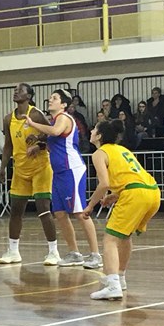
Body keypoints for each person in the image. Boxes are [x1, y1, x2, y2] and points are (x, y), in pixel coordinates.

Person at [82, 119, 161, 300]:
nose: (91, 131)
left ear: (99, 135)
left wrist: (90, 205)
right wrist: (115, 195)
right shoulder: (123, 150)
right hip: (152, 192)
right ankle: (120, 278)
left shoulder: (100, 153)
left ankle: (112, 285)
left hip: (135, 195)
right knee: (124, 236)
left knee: (110, 239)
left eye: (94, 129)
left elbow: (104, 184)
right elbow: (131, 177)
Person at [24, 90, 102, 269]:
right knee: (59, 213)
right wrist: (39, 146)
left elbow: (56, 131)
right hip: (58, 172)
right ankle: (74, 253)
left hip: (70, 170)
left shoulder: (64, 118)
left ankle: (96, 254)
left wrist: (32, 123)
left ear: (64, 104)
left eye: (55, 98)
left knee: (80, 213)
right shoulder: (54, 121)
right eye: (50, 98)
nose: (50, 100)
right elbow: (55, 141)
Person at [0, 83, 60, 266]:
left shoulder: (36, 114)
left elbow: (52, 134)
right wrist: (3, 166)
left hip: (40, 167)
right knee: (16, 211)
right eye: (15, 90)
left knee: (43, 209)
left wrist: (39, 144)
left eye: (21, 90)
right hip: (20, 169)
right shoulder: (8, 118)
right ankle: (13, 251)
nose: (16, 92)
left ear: (30, 95)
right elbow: (8, 144)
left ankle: (53, 252)